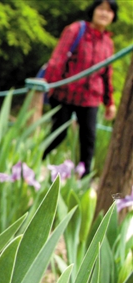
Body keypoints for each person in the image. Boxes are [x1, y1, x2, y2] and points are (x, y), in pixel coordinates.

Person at [42, 0, 118, 176]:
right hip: (65, 94)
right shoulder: (76, 30)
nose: (104, 14)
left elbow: (107, 75)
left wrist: (110, 103)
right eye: (101, 9)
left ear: (113, 16)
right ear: (93, 10)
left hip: (91, 98)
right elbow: (58, 59)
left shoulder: (108, 42)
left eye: (109, 11)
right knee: (58, 134)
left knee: (89, 139)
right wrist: (48, 86)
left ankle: (83, 179)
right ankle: (33, 163)